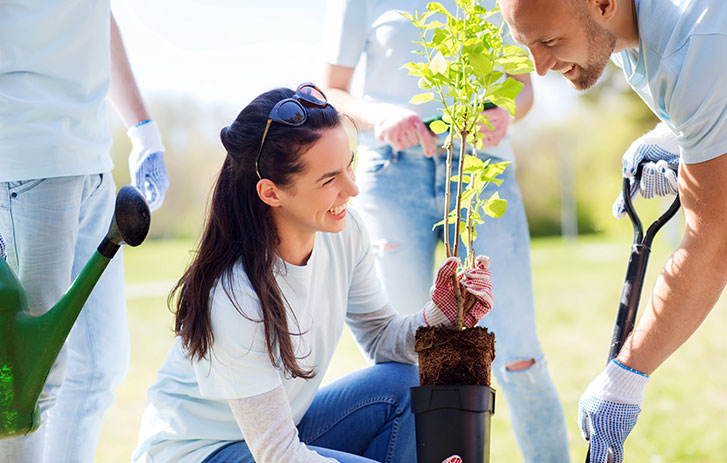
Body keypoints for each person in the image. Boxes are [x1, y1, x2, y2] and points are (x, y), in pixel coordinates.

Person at [132, 84, 495, 463]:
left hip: (276, 436)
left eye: (349, 166)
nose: (352, 188)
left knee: (404, 384)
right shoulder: (235, 296)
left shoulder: (344, 233)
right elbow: (279, 455)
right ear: (271, 192)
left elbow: (382, 338)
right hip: (201, 454)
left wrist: (441, 315)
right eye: (329, 179)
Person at [320, 1, 570, 461]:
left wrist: (505, 112)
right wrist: (380, 116)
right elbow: (331, 92)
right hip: (394, 175)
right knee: (404, 359)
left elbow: (523, 86)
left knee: (519, 354)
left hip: (482, 170)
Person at [498, 0, 727, 461]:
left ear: (603, 3)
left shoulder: (695, 45)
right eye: (528, 46)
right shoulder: (623, 36)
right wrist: (673, 138)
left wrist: (626, 379)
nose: (539, 69)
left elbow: (715, 242)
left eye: (549, 42)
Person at [0, 3, 169, 462]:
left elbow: (96, 15)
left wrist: (142, 127)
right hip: (23, 157)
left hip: (90, 160)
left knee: (98, 368)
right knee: (26, 386)